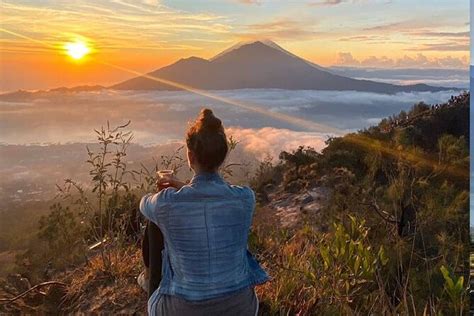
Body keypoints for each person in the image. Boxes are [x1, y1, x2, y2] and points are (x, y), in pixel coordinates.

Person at [139, 108, 269, 315]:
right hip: (241, 308)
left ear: (190, 156)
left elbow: (144, 204)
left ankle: (151, 284)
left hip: (183, 310)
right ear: (222, 156)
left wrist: (173, 189)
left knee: (154, 223)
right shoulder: (245, 198)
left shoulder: (166, 204)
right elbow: (209, 199)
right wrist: (181, 187)